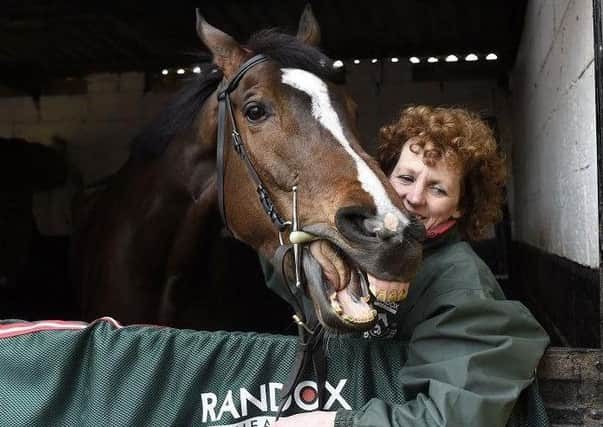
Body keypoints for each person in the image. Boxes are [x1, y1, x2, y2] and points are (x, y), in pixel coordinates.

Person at [271, 105, 550, 427]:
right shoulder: (357, 248)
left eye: (438, 189)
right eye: (405, 177)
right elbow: (287, 282)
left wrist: (334, 423)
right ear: (384, 179)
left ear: (460, 207)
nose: (414, 197)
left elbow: (451, 419)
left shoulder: (464, 288)